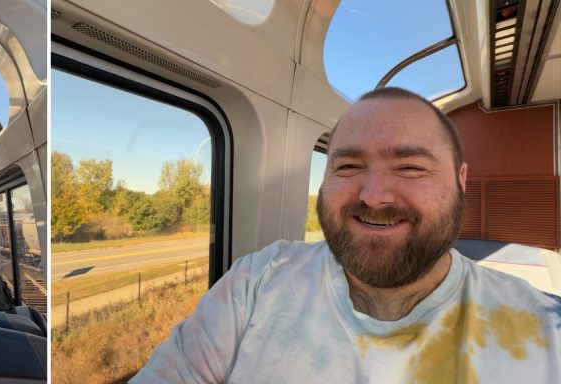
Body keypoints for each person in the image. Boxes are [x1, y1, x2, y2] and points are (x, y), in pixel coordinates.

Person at [133, 87, 561, 383]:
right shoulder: (256, 280)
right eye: (348, 167)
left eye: (410, 167)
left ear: (461, 180)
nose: (374, 197)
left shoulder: (545, 332)